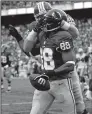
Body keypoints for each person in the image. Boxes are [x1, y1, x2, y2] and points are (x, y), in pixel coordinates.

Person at [9, 2, 89, 114]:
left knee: (79, 105)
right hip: (48, 69)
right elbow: (29, 49)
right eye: (39, 18)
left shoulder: (61, 18)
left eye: (44, 16)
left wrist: (63, 24)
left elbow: (75, 35)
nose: (42, 19)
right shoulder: (36, 27)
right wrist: (19, 37)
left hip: (66, 69)